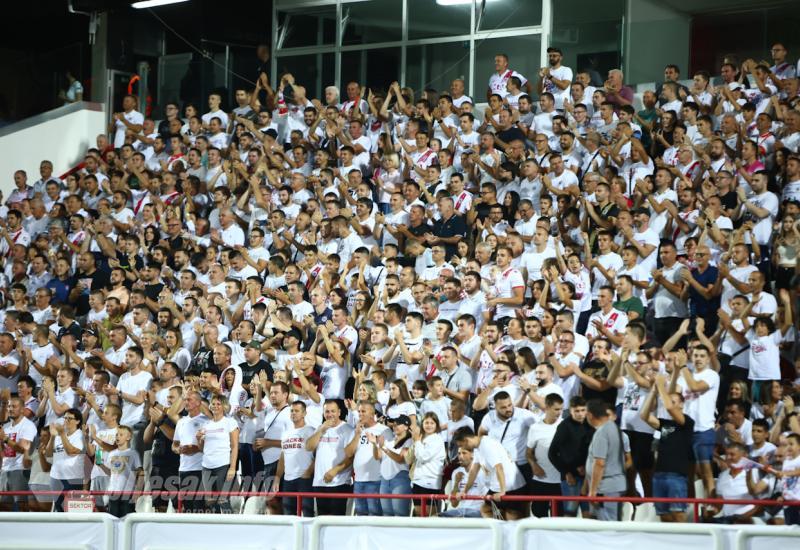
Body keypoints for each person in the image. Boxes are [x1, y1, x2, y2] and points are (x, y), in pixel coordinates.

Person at [306, 400, 354, 515]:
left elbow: (351, 456)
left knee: (337, 521)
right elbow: (309, 447)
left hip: (339, 482)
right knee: (322, 520)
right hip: (320, 482)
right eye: (327, 411)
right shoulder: (320, 428)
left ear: (339, 412)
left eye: (333, 411)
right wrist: (321, 430)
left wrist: (334, 471)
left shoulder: (347, 429)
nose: (330, 414)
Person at [584, 398, 626, 521]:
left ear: (590, 415)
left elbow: (600, 463)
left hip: (606, 488)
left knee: (608, 528)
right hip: (611, 486)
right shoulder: (612, 427)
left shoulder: (602, 432)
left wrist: (592, 491)